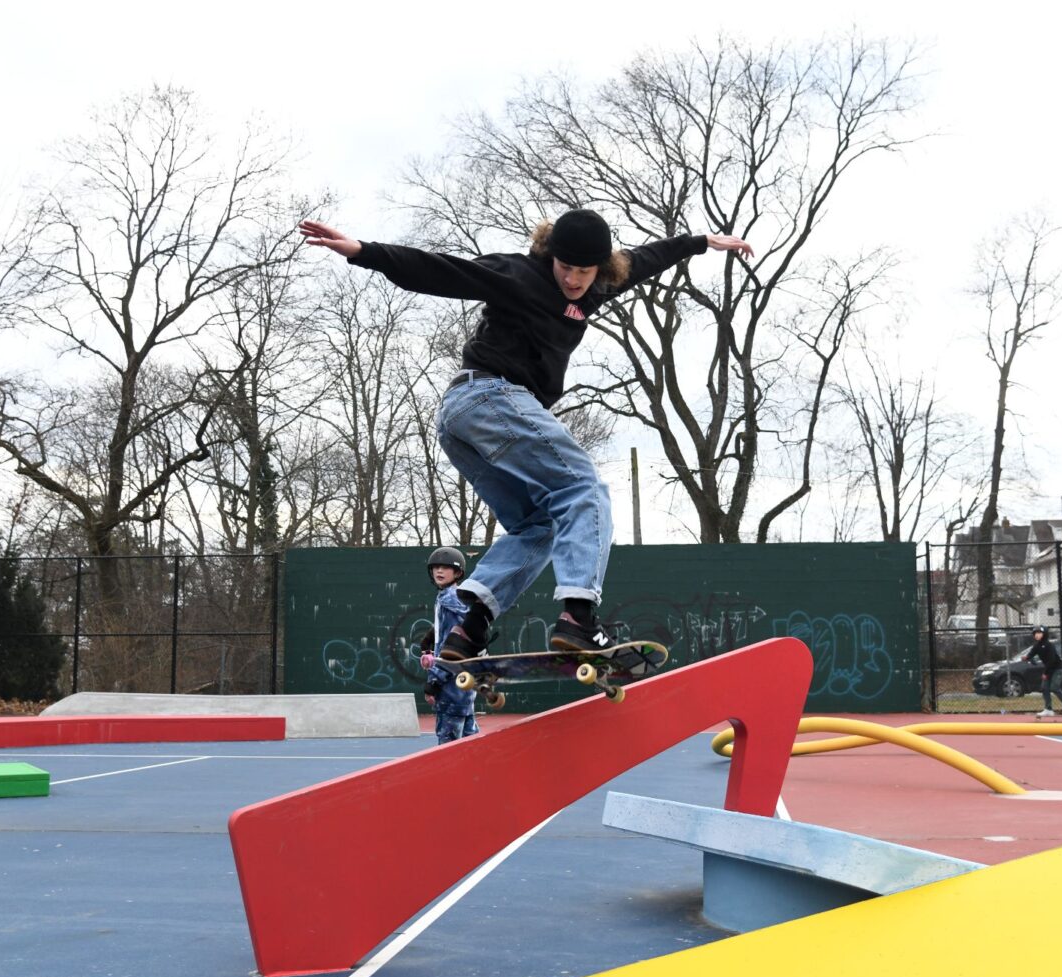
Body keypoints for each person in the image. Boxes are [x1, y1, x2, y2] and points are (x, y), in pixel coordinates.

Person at [300, 210, 753, 663]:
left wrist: (699, 242)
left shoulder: (593, 289)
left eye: (583, 271)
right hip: (489, 397)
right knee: (582, 488)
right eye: (565, 267)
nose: (573, 280)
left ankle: (467, 626)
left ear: (599, 269)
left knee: (539, 526)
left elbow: (642, 261)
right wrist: (364, 252)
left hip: (466, 423)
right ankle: (578, 618)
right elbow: (444, 270)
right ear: (550, 255)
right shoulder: (518, 273)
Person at [417, 546, 479, 744]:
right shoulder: (457, 597)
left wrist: (434, 681)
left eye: (445, 567)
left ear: (458, 572)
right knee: (472, 747)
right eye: (435, 567)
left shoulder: (449, 600)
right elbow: (457, 629)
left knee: (449, 750)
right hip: (465, 688)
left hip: (451, 689)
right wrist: (432, 634)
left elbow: (453, 647)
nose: (439, 571)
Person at [1028, 626, 1062, 717]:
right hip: (1049, 669)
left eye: (1039, 633)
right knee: (1044, 688)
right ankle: (1048, 709)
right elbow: (1030, 654)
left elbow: (1051, 661)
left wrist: (1045, 673)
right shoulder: (1037, 646)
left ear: (1044, 634)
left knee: (1054, 687)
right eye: (1035, 633)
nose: (1037, 635)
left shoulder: (1049, 645)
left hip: (1057, 668)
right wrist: (1029, 658)